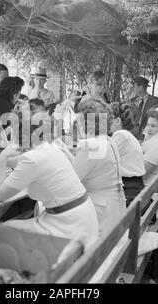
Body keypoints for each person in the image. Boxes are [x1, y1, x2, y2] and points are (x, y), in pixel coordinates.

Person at [0, 110, 99, 249]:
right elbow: (21, 161)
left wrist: (3, 158)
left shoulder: (32, 159)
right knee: (15, 226)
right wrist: (2, 160)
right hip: (80, 218)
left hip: (67, 225)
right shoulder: (49, 148)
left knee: (1, 232)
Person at [56, 99, 126, 238]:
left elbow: (72, 180)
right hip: (115, 205)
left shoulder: (90, 145)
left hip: (100, 211)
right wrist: (64, 150)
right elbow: (86, 167)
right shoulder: (107, 139)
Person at [110, 102, 146, 207]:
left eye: (108, 119)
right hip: (134, 189)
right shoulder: (126, 135)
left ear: (117, 121)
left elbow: (104, 160)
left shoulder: (121, 135)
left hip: (130, 193)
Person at [131, 76, 158, 140]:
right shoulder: (133, 101)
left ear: (141, 87)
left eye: (135, 86)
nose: (133, 88)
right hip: (134, 135)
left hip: (148, 135)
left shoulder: (155, 101)